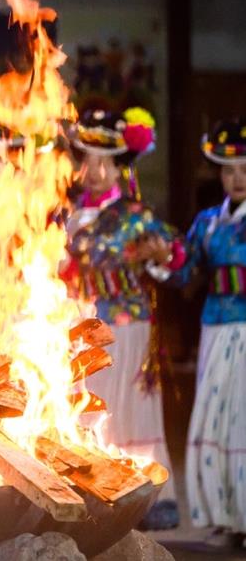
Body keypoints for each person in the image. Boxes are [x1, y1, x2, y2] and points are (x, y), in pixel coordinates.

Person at [63, 105, 183, 530]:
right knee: (88, 405)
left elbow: (176, 256)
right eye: (88, 160)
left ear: (120, 167)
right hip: (82, 325)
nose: (95, 170)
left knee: (131, 407)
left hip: (127, 325)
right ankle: (95, 488)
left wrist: (162, 257)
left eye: (106, 162)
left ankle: (146, 492)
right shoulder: (69, 216)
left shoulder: (134, 215)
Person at [175, 117, 246, 549]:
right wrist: (159, 257)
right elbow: (186, 271)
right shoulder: (208, 222)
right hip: (215, 326)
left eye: (244, 169)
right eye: (228, 169)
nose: (236, 178)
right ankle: (224, 515)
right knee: (214, 417)